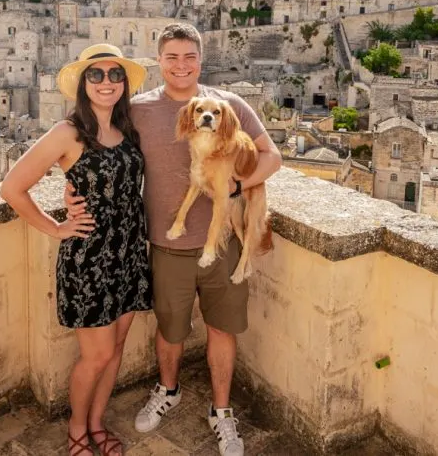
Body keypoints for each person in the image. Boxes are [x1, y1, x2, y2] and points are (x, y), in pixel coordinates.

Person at [67, 24, 281, 456]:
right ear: (159, 61)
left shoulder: (229, 105)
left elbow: (272, 156)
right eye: (172, 57)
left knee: (223, 329)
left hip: (223, 244)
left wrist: (238, 189)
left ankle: (221, 412)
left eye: (189, 57)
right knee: (170, 330)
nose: (181, 65)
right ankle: (168, 390)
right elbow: (100, 149)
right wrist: (70, 189)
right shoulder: (140, 110)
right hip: (165, 244)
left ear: (200, 60)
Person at [1, 44, 152, 456]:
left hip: (130, 253)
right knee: (96, 355)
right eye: (96, 75)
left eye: (114, 74)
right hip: (91, 260)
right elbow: (12, 188)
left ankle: (97, 423)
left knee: (116, 349)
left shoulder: (128, 129)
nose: (107, 82)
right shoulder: (68, 133)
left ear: (124, 83)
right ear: (83, 84)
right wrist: (57, 227)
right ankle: (76, 432)